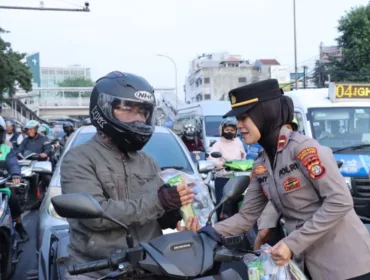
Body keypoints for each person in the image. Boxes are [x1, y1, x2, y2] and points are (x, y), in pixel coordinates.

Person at [178, 79, 370, 280]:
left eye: (244, 118)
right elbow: (246, 217)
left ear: (265, 114)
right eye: (238, 119)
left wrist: (291, 243)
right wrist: (206, 232)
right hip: (308, 265)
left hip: (348, 264)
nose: (239, 126)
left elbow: (340, 201)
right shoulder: (262, 163)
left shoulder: (304, 150)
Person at [61, 71, 194, 279]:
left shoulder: (148, 161)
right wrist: (159, 202)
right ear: (104, 109)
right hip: (97, 269)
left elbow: (154, 215)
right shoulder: (78, 159)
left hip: (150, 264)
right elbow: (97, 217)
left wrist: (177, 210)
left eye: (142, 111)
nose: (138, 118)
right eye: (127, 108)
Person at [0, 117, 29, 242]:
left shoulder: (6, 149)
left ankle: (18, 225)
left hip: (2, 184)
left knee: (13, 199)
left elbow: (13, 163)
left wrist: (16, 174)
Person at [209, 118, 246, 211]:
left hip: (237, 178)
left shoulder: (238, 143)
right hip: (223, 178)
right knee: (222, 205)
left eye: (232, 130)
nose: (230, 132)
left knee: (240, 203)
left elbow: (243, 157)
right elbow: (212, 160)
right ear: (222, 130)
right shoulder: (217, 144)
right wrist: (221, 165)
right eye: (227, 130)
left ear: (235, 131)